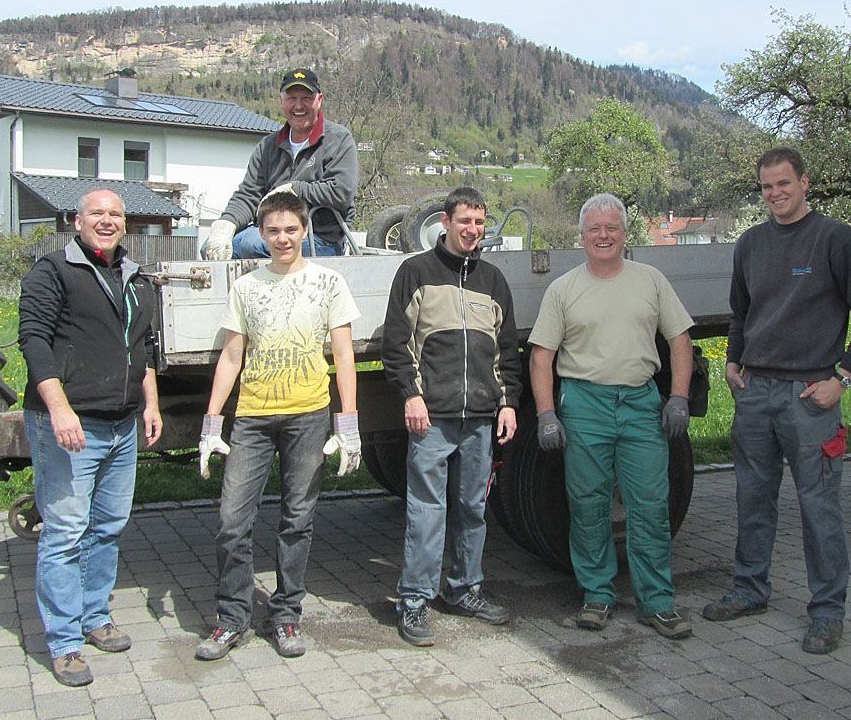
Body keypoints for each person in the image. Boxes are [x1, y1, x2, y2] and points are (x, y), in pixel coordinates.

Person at [702, 147, 851, 655]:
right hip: (756, 392)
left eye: (784, 184)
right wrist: (733, 362)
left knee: (818, 505)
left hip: (811, 397)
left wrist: (843, 378)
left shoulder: (836, 239)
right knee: (752, 496)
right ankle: (749, 589)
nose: (775, 194)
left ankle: (828, 612)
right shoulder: (750, 244)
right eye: (766, 187)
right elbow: (740, 313)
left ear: (805, 183)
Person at [195, 192, 361, 661]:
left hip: (308, 414)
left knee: (297, 520)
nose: (282, 238)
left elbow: (343, 354)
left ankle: (286, 614)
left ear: (304, 231)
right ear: (261, 235)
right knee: (231, 522)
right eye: (273, 231)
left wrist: (347, 421)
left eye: (291, 229)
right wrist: (212, 422)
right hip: (251, 416)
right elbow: (231, 356)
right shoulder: (247, 286)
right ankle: (232, 619)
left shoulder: (328, 283)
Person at [528, 192, 694, 640]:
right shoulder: (563, 288)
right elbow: (541, 356)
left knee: (651, 507)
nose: (604, 236)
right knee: (588, 506)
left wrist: (677, 398)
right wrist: (547, 415)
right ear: (581, 237)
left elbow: (680, 340)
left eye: (612, 228)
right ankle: (597, 596)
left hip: (641, 405)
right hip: (584, 406)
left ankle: (656, 602)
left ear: (625, 234)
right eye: (595, 229)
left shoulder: (651, 280)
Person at [18, 189, 163, 687]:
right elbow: (33, 340)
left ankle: (95, 616)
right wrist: (59, 410)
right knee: (64, 533)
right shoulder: (53, 272)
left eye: (115, 214)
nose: (107, 221)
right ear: (76, 222)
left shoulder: (135, 278)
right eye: (96, 214)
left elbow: (141, 347)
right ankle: (64, 643)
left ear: (126, 223)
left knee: (107, 527)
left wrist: (152, 404)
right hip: (70, 426)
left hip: (122, 425)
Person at [381, 186, 521, 647]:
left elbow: (508, 350)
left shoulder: (494, 280)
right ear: (445, 221)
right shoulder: (415, 272)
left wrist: (508, 402)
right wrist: (411, 395)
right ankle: (415, 600)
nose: (473, 231)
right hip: (432, 417)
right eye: (465, 221)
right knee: (426, 511)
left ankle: (464, 589)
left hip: (481, 417)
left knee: (473, 509)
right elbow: (397, 344)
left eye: (480, 223)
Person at [202, 67, 358, 260]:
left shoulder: (338, 139)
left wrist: (296, 190)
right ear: (281, 101)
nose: (299, 106)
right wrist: (226, 223)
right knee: (210, 248)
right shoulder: (268, 146)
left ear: (319, 100)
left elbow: (341, 191)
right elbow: (250, 194)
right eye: (292, 98)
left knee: (250, 245)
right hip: (273, 232)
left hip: (319, 238)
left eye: (306, 98)